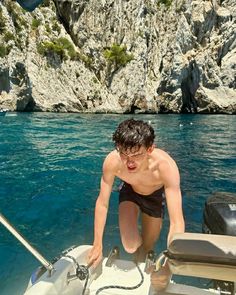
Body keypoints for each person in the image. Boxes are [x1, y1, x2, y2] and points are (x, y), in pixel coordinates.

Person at [88, 118, 185, 291]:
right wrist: (97, 244)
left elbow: (177, 221)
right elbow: (102, 203)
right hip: (130, 191)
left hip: (155, 196)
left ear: (150, 149)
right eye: (124, 154)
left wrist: (170, 266)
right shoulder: (112, 162)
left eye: (136, 155)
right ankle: (135, 244)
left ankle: (142, 257)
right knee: (130, 245)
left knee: (147, 246)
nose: (129, 162)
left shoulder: (165, 167)